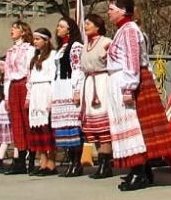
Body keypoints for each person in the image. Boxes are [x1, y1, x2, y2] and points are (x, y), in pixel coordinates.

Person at [105, 0, 171, 191]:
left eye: (111, 9)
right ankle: (141, 170)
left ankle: (139, 172)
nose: (108, 13)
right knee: (136, 126)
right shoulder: (123, 30)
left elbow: (132, 59)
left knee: (135, 126)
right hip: (127, 79)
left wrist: (128, 87)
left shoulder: (129, 30)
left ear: (122, 10)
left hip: (131, 81)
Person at [76, 13, 114, 179]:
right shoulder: (85, 46)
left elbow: (114, 63)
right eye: (85, 24)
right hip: (90, 84)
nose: (86, 26)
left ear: (98, 26)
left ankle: (106, 164)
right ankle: (101, 161)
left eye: (89, 23)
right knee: (94, 128)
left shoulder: (106, 42)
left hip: (103, 82)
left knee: (104, 126)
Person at [51, 17, 85, 177]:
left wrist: (77, 90)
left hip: (70, 87)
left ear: (69, 29)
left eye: (61, 26)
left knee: (73, 127)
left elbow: (78, 68)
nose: (58, 28)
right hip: (60, 88)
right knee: (64, 128)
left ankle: (77, 163)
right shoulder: (60, 49)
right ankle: (70, 161)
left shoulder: (76, 46)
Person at [2, 21, 35, 174]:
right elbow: (7, 75)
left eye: (15, 28)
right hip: (13, 86)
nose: (12, 30)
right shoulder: (10, 51)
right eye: (12, 27)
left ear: (23, 31)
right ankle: (20, 161)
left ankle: (32, 160)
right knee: (17, 124)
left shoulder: (29, 49)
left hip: (24, 85)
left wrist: (29, 94)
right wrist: (6, 96)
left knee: (28, 122)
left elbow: (29, 71)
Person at [28, 27, 59, 175]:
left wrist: (53, 98)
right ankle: (42, 162)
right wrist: (29, 97)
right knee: (37, 129)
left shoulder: (53, 55)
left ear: (46, 41)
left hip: (46, 91)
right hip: (35, 93)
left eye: (38, 39)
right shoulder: (35, 58)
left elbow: (54, 77)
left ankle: (52, 163)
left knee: (48, 128)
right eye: (34, 39)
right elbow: (30, 80)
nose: (35, 42)